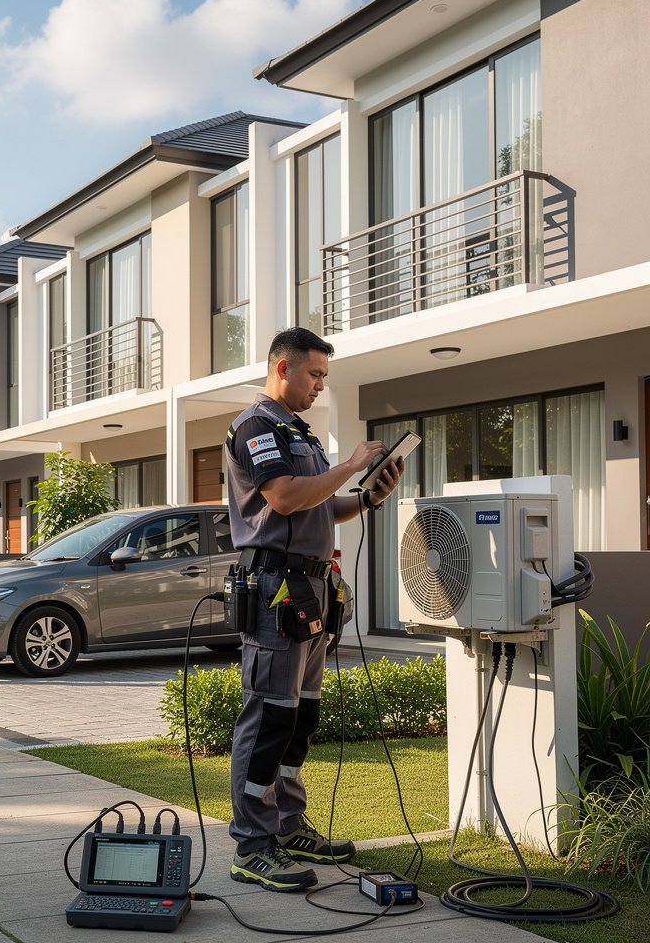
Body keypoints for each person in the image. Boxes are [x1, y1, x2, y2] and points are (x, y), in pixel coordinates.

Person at [225, 327, 403, 893]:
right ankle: (253, 845)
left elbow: (318, 507)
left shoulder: (299, 431)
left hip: (310, 590)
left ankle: (288, 824)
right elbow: (283, 497)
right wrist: (350, 464)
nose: (320, 385)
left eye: (325, 376)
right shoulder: (256, 426)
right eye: (315, 374)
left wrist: (368, 496)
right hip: (276, 590)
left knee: (300, 717)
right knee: (269, 717)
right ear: (283, 368)